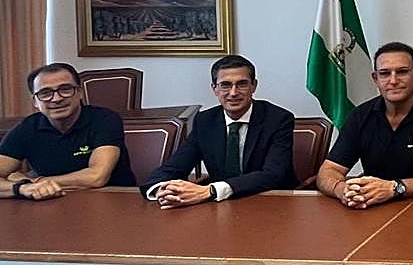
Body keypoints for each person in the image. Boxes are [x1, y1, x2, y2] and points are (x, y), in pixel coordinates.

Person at [316, 42, 413, 209]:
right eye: (385, 73)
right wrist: (341, 189)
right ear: (375, 79)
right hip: (372, 207)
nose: (393, 80)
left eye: (402, 72)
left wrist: (396, 188)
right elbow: (328, 170)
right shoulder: (360, 116)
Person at [140, 55, 296, 209]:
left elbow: (273, 175)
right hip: (222, 207)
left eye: (242, 84)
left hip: (269, 203)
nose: (233, 93)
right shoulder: (205, 121)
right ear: (214, 89)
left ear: (254, 86)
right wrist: (162, 189)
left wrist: (211, 191)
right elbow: (175, 167)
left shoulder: (278, 119)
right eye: (225, 85)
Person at [0, 62, 136, 200]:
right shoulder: (26, 128)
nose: (57, 98)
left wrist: (36, 182)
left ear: (79, 92)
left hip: (112, 200)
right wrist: (21, 188)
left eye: (65, 89)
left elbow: (96, 177)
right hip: (52, 202)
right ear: (35, 102)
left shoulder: (105, 120)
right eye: (45, 93)